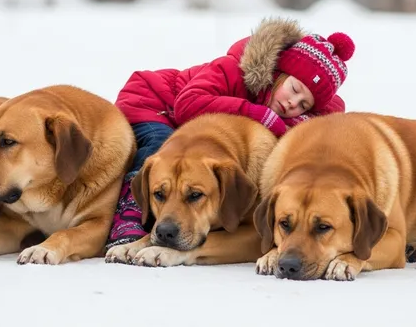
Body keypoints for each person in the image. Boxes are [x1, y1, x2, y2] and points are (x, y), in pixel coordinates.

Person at [106, 17, 356, 249]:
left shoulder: (281, 109)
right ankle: (130, 214)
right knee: (160, 151)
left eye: (304, 104)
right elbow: (187, 104)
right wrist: (259, 114)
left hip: (191, 127)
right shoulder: (233, 68)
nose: (293, 103)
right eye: (293, 89)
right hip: (154, 103)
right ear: (277, 72)